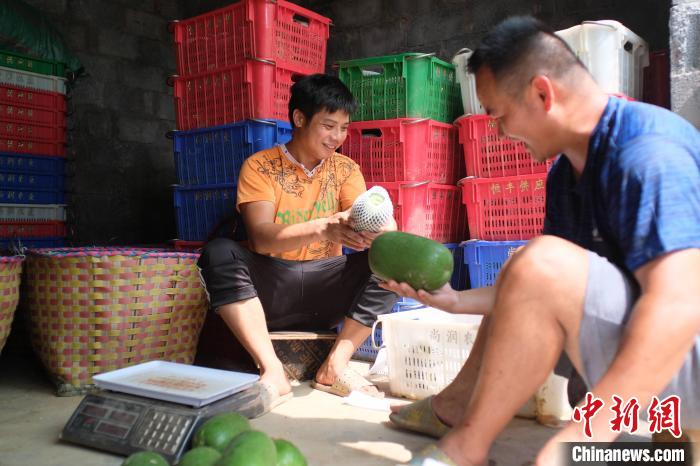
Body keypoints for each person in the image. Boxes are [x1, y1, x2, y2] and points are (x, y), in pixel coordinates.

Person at [382, 16, 700, 466]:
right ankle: (457, 415)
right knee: (525, 264)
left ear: (541, 94)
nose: (497, 132)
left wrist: (574, 443)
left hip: (685, 341)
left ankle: (466, 449)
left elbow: (679, 306)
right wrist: (454, 301)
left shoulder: (648, 153)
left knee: (540, 263)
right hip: (663, 360)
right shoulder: (565, 174)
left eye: (498, 116)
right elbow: (539, 293)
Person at [197, 74, 398, 408]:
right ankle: (272, 369)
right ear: (299, 118)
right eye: (328, 125)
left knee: (393, 258)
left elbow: (372, 219)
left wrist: (380, 227)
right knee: (219, 252)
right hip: (271, 289)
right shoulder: (259, 167)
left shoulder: (346, 170)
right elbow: (261, 239)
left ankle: (336, 364)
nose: (337, 137)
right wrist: (324, 228)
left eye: (344, 128)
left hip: (325, 290)